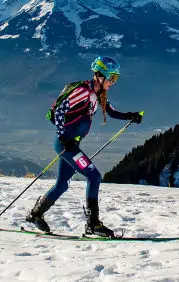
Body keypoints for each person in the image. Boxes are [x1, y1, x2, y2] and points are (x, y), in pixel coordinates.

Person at [26, 56, 143, 237]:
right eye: (112, 77)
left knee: (62, 185)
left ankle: (35, 215)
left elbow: (111, 112)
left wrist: (130, 115)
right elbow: (59, 111)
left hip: (71, 145)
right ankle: (93, 224)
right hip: (66, 145)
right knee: (94, 176)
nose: (113, 82)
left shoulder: (98, 95)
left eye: (116, 78)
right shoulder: (83, 91)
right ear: (100, 75)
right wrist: (63, 137)